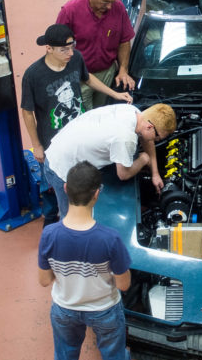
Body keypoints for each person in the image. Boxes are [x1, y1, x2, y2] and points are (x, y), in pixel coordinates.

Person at [38, 161, 142, 360]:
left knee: (65, 352)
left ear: (65, 189)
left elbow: (43, 280)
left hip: (64, 308)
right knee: (115, 356)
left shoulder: (49, 234)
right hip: (103, 310)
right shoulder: (110, 239)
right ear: (97, 193)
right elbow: (124, 285)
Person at [21, 24, 132, 225]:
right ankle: (50, 215)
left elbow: (88, 79)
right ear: (49, 48)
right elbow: (27, 113)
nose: (70, 53)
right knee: (50, 182)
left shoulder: (76, 59)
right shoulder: (33, 75)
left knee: (77, 179)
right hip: (51, 141)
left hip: (79, 135)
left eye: (72, 47)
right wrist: (37, 145)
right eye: (64, 49)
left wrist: (115, 94)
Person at [44, 102, 176, 218]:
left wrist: (155, 173)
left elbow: (147, 139)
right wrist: (143, 159)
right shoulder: (125, 137)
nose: (156, 141)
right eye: (157, 137)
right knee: (72, 219)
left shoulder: (133, 112)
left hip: (62, 146)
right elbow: (123, 174)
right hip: (61, 168)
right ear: (149, 126)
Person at [56, 0, 136, 110]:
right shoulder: (70, 11)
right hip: (80, 76)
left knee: (102, 112)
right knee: (85, 117)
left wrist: (123, 69)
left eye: (113, 1)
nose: (110, 6)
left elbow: (124, 41)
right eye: (105, 1)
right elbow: (58, 46)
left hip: (107, 73)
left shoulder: (119, 8)